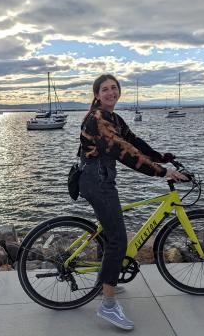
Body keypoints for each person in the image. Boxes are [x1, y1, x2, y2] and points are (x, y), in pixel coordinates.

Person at [78, 74, 188, 331]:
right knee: (118, 239)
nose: (110, 92)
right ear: (96, 94)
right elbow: (124, 152)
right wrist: (162, 172)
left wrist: (163, 157)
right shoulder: (98, 120)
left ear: (119, 92)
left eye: (114, 88)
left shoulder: (114, 118)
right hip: (97, 180)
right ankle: (107, 305)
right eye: (104, 89)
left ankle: (104, 280)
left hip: (100, 177)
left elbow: (134, 142)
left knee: (109, 234)